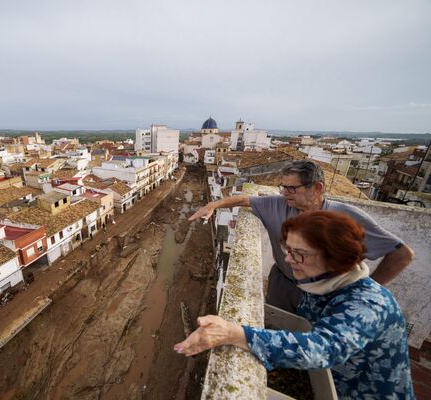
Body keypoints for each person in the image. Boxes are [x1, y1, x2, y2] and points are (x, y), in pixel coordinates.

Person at [174, 211, 415, 399]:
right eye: (288, 250)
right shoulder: (321, 282)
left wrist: (233, 333)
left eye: (299, 253)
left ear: (335, 259)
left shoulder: (369, 305)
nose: (288, 260)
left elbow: (322, 349)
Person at [189, 160, 414, 312]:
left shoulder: (345, 217)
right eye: (283, 187)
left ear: (316, 188)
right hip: (283, 286)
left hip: (326, 295)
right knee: (276, 326)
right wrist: (212, 206)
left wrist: (369, 288)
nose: (284, 193)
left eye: (292, 188)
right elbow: (243, 200)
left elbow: (402, 254)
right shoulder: (278, 204)